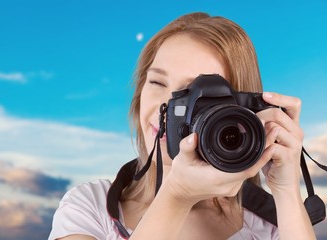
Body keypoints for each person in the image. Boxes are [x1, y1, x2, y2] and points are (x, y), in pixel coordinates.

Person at [48, 12, 316, 240]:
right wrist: (177, 195)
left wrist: (285, 191)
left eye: (192, 95)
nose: (166, 108)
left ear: (240, 113)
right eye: (157, 83)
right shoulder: (88, 207)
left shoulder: (270, 225)